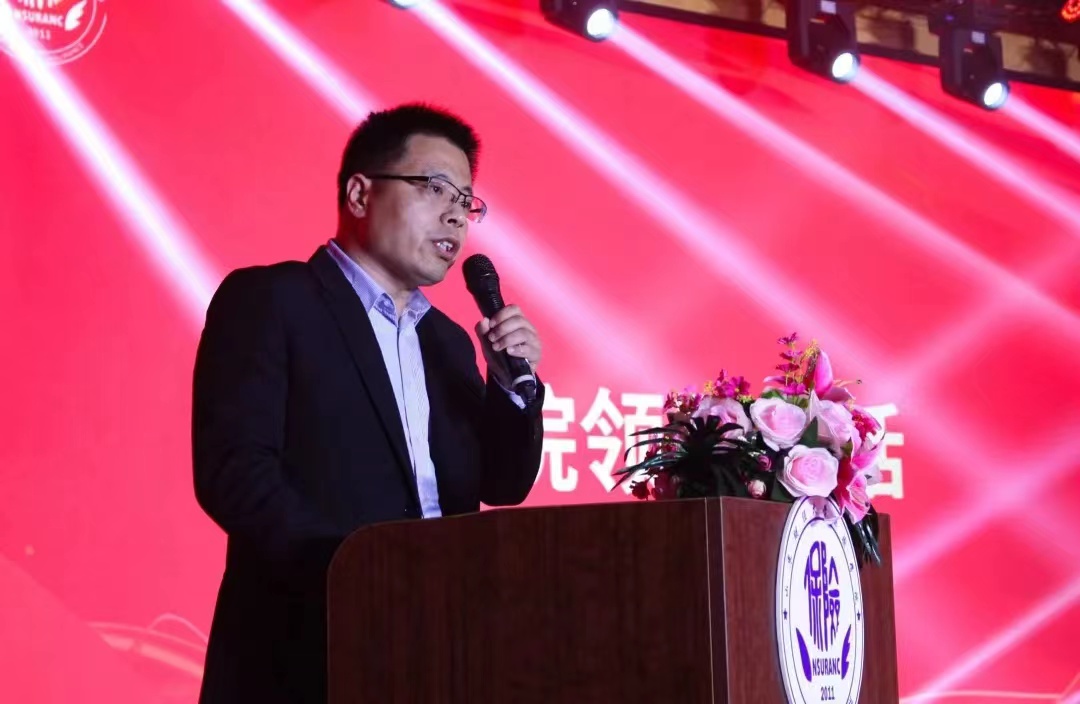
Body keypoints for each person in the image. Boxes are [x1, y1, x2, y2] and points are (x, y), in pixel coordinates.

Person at [191, 103, 546, 704]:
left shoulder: (448, 342)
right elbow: (236, 475)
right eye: (434, 188)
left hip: (443, 649)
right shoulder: (272, 300)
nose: (455, 214)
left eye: (466, 201)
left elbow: (503, 485)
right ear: (360, 194)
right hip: (309, 648)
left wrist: (512, 387)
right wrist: (361, 574)